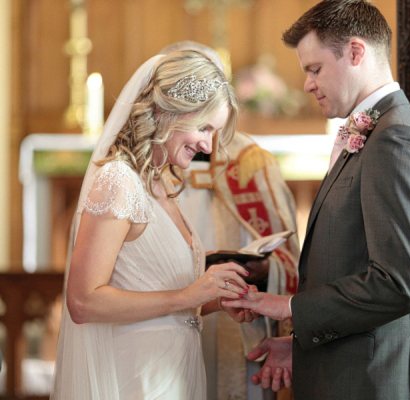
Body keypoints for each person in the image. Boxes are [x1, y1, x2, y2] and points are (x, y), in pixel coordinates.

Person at [223, 1, 410, 399]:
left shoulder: (395, 139)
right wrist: (302, 344)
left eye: (315, 69)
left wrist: (290, 307)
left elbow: (399, 283)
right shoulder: (374, 131)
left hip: (376, 381)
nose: (308, 84)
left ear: (356, 52)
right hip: (355, 368)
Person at [51, 50, 257, 400]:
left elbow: (156, 293)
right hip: (136, 375)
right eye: (204, 127)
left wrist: (214, 298)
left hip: (174, 370)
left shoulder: (159, 182)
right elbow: (83, 302)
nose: (208, 144)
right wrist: (188, 294)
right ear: (167, 112)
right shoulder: (119, 181)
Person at [162, 42, 300, 400]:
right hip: (159, 328)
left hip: (236, 329)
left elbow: (292, 260)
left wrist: (261, 269)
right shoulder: (144, 164)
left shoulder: (253, 163)